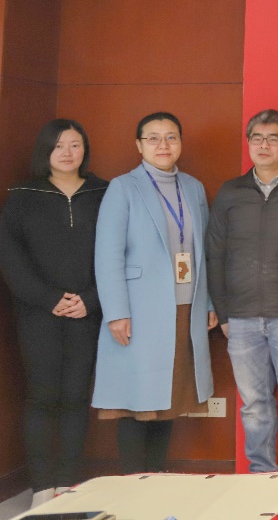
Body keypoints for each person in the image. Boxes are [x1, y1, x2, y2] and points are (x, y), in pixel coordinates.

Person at [92, 112, 215, 475]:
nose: (163, 145)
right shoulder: (123, 187)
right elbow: (108, 255)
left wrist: (208, 303)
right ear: (139, 145)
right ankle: (134, 482)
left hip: (185, 307)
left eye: (171, 137)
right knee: (137, 400)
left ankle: (156, 478)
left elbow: (204, 252)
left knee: (169, 398)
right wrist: (117, 312)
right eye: (153, 138)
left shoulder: (192, 187)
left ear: (180, 143)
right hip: (140, 310)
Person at [0, 120, 107, 507]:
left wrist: (91, 300)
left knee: (77, 397)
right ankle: (42, 488)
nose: (67, 152)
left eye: (75, 144)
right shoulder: (22, 195)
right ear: (45, 150)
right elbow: (11, 258)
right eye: (58, 145)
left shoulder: (104, 193)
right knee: (42, 396)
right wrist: (48, 299)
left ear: (85, 150)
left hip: (87, 311)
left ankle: (68, 485)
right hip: (37, 313)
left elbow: (118, 254)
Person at [207, 109, 278, 473]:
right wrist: (223, 312)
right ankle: (260, 476)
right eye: (257, 138)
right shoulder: (231, 191)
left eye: (273, 138)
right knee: (254, 405)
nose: (264, 145)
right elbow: (215, 253)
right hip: (241, 318)